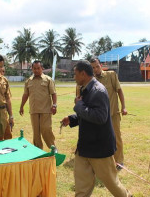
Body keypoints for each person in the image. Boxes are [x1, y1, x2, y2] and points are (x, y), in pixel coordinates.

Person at [61, 60, 132, 197]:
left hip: (99, 148)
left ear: (83, 74)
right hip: (84, 147)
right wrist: (73, 118)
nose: (74, 77)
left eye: (75, 74)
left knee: (112, 183)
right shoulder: (85, 89)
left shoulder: (98, 91)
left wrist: (79, 106)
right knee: (82, 186)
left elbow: (100, 117)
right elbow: (88, 113)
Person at [90, 58, 127, 169]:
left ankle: (119, 161)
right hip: (99, 117)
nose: (96, 69)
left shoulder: (111, 75)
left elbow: (119, 90)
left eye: (97, 66)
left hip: (113, 114)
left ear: (100, 65)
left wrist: (124, 107)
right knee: (100, 138)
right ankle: (103, 161)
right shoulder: (91, 81)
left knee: (116, 138)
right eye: (93, 68)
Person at [19, 60, 57, 150]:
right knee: (36, 133)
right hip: (34, 110)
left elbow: (53, 93)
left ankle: (53, 148)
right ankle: (38, 150)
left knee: (46, 129)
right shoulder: (28, 81)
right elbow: (25, 95)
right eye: (34, 68)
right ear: (32, 69)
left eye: (38, 68)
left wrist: (54, 105)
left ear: (42, 68)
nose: (36, 70)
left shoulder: (48, 80)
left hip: (46, 110)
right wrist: (21, 106)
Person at [0, 67, 13, 140]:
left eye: (3, 71)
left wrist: (11, 116)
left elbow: (8, 100)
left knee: (8, 135)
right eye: (1, 71)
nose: (2, 73)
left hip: (3, 112)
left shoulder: (5, 81)